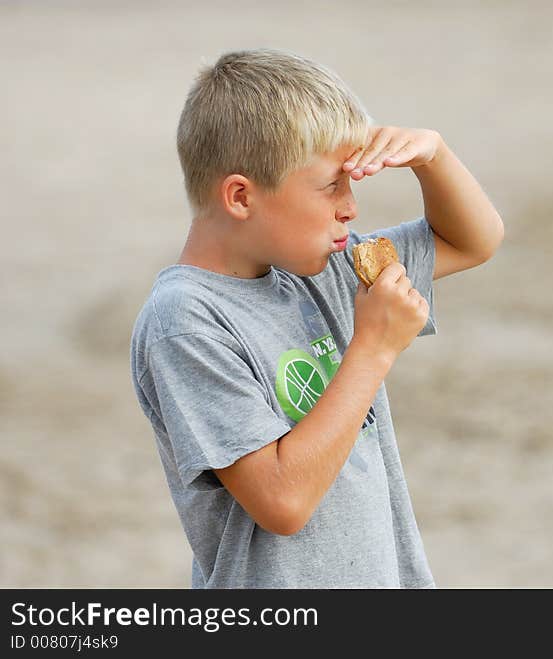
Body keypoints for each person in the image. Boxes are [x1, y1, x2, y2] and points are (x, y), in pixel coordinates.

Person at [129, 49, 504, 588]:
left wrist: (434, 156)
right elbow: (283, 501)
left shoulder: (324, 268)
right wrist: (373, 349)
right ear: (240, 196)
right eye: (332, 186)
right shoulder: (186, 322)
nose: (350, 208)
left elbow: (473, 241)